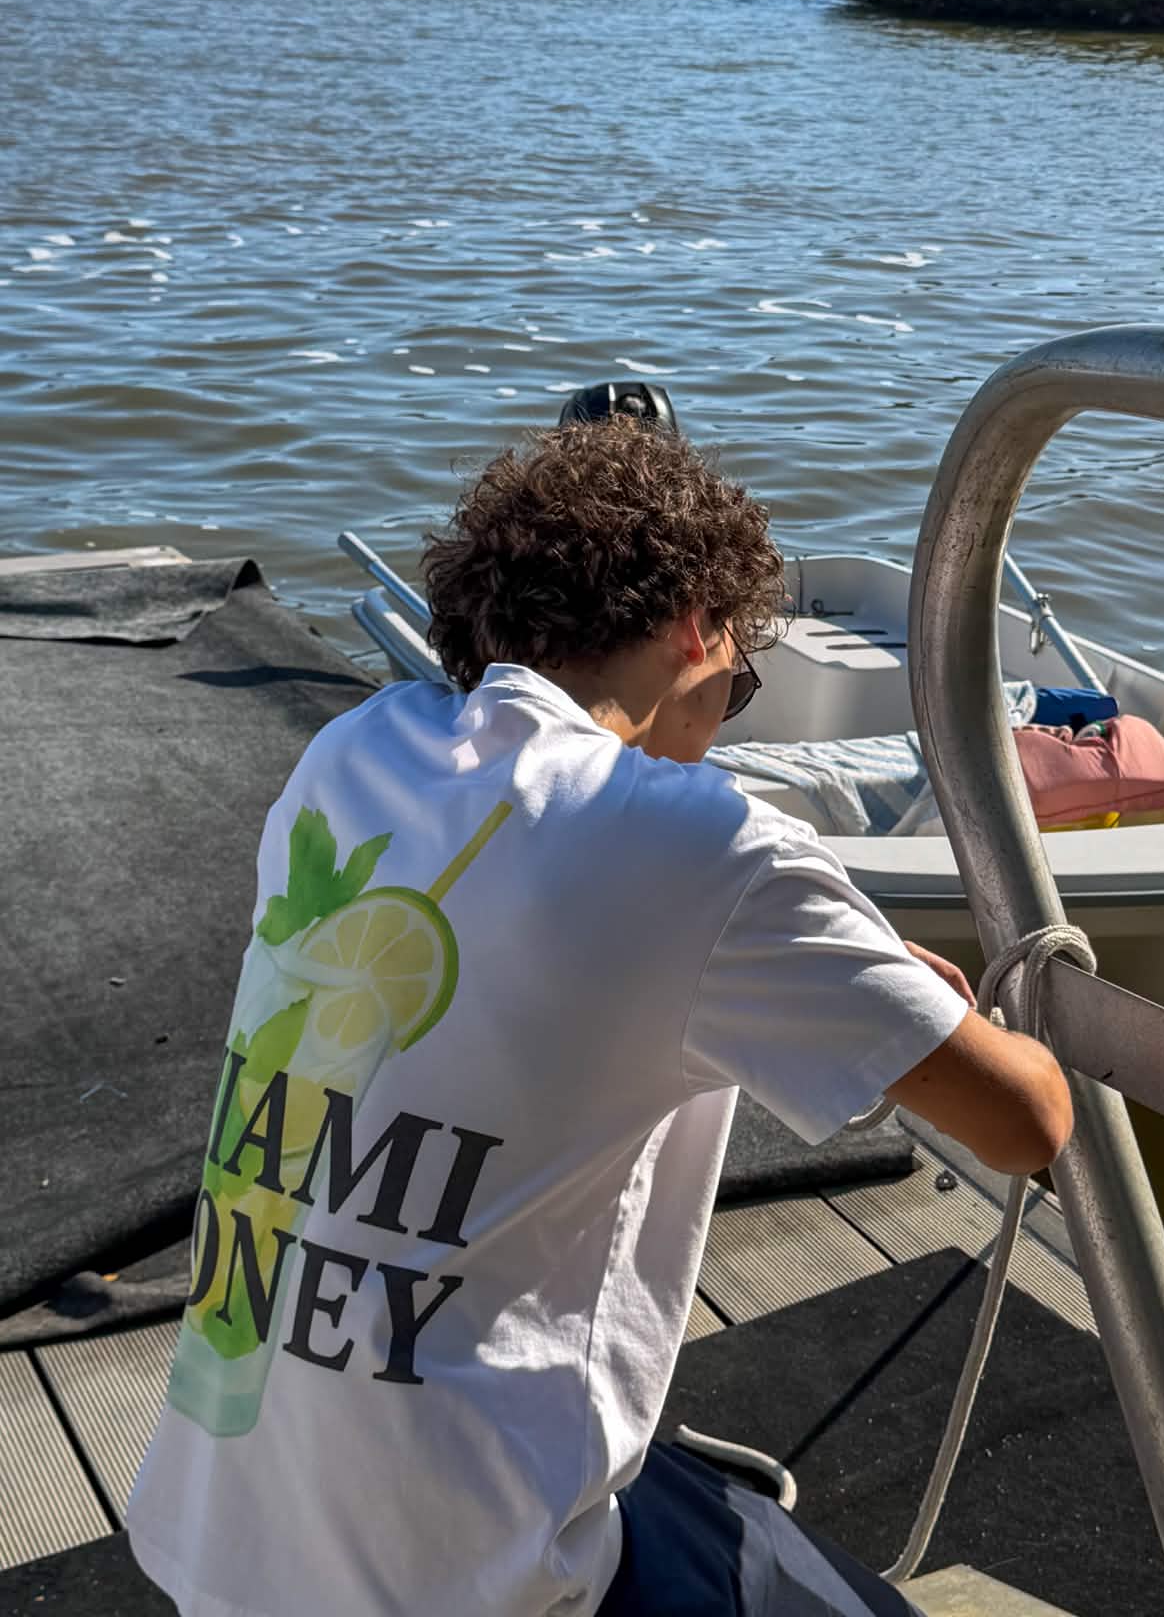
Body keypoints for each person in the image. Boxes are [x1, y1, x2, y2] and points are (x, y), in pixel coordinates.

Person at [127, 418, 1072, 1617]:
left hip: (218, 1537)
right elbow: (1027, 1122)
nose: (724, 716)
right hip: (462, 1584)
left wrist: (844, 982)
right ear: (699, 628)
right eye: (739, 685)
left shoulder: (352, 752)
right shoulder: (705, 848)